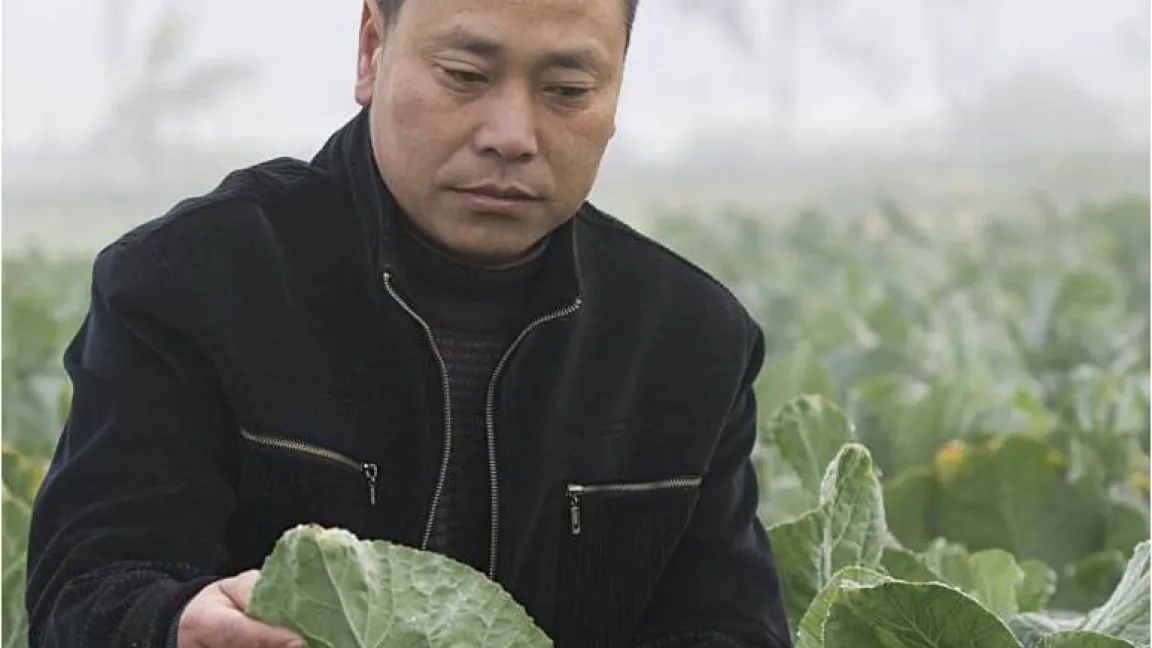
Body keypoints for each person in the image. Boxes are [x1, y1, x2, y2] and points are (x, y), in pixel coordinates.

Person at [24, 0, 793, 646]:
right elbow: (84, 585)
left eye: (567, 89)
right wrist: (169, 622)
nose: (512, 134)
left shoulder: (693, 342)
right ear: (371, 50)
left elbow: (728, 626)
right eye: (466, 76)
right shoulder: (187, 283)